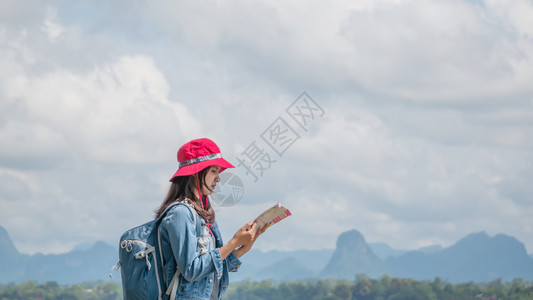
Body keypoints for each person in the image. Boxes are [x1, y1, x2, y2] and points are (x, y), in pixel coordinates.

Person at [155, 138, 265, 300]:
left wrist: (243, 248)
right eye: (214, 171)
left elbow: (210, 270)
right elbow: (192, 271)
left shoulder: (204, 215)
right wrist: (233, 242)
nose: (218, 178)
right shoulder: (180, 213)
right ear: (195, 173)